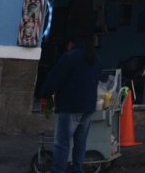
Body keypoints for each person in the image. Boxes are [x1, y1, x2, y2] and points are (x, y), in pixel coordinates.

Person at [36, 32, 101, 173]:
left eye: (68, 45)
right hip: (88, 107)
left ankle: (58, 170)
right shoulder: (95, 59)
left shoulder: (70, 57)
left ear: (72, 44)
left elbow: (54, 79)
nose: (67, 47)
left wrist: (44, 94)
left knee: (62, 144)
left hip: (71, 106)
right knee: (80, 143)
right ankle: (77, 169)